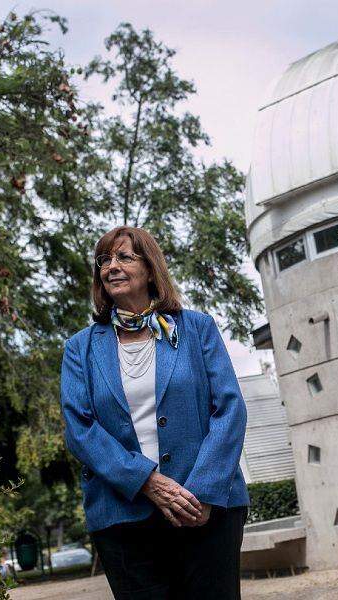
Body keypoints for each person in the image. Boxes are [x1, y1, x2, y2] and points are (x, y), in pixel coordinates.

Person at [60, 226, 250, 599]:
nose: (111, 267)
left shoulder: (196, 328)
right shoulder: (79, 348)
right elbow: (79, 428)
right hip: (122, 516)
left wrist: (203, 493)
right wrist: (147, 482)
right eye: (104, 260)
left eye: (124, 257)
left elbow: (229, 409)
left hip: (206, 510)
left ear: (150, 268)